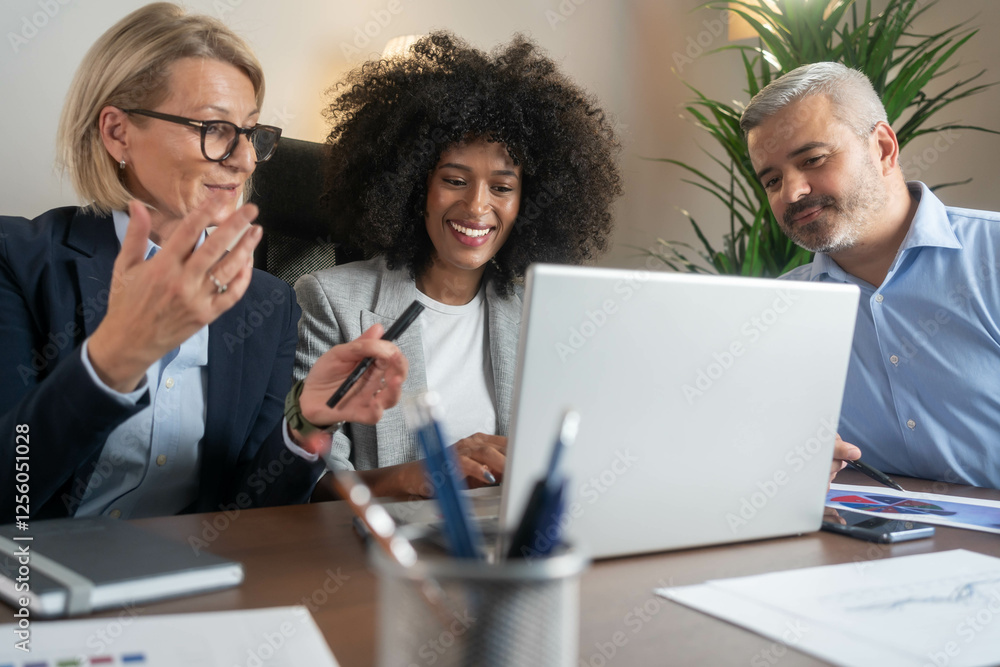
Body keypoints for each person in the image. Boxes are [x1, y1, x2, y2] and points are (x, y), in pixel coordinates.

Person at [0, 3, 407, 522]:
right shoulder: (16, 257)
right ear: (117, 132)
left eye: (252, 132)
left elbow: (249, 514)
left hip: (194, 584)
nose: (246, 159)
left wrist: (304, 423)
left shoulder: (267, 301)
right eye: (215, 128)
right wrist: (116, 357)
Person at [294, 32, 622, 498]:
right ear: (412, 186)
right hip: (384, 557)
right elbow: (308, 483)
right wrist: (412, 477)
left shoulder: (541, 310)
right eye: (454, 180)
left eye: (502, 188)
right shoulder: (330, 302)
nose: (476, 206)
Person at [740, 61, 1000, 488]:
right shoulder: (777, 311)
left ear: (882, 147)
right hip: (857, 542)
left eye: (813, 159)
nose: (792, 192)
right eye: (771, 180)